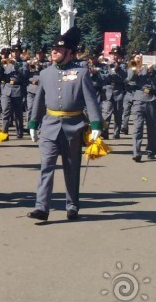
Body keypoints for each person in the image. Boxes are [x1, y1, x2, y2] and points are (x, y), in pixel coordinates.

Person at [26, 26, 103, 221]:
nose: (54, 52)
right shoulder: (46, 73)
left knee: (71, 168)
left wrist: (96, 125)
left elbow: (91, 100)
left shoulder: (81, 73)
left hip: (73, 127)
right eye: (53, 49)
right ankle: (41, 207)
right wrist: (33, 123)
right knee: (46, 166)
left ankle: (72, 205)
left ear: (69, 53)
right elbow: (39, 100)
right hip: (49, 126)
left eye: (59, 50)